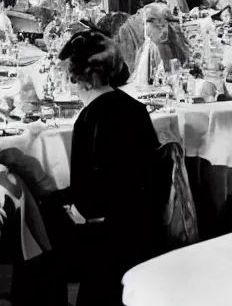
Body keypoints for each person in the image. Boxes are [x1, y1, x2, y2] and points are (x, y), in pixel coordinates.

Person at [53, 30, 164, 306]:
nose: (70, 84)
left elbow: (87, 201)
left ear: (85, 79)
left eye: (71, 78)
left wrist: (64, 204)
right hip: (145, 226)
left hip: (109, 241)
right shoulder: (135, 109)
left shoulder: (89, 120)